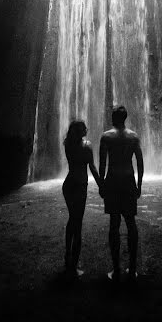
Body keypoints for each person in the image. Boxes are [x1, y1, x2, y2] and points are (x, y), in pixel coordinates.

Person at [99, 105, 144, 282]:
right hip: (128, 181)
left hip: (112, 181)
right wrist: (139, 185)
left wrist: (101, 185)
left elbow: (102, 163)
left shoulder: (106, 136)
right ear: (125, 118)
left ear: (113, 117)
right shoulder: (133, 136)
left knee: (114, 224)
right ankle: (132, 268)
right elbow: (140, 164)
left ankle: (116, 268)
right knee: (131, 222)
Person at [62, 119, 101, 278]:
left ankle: (67, 255)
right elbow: (92, 167)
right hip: (79, 187)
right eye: (84, 127)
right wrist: (101, 185)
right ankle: (73, 266)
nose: (87, 128)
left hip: (68, 185)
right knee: (77, 224)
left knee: (72, 220)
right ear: (80, 131)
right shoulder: (87, 145)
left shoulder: (67, 144)